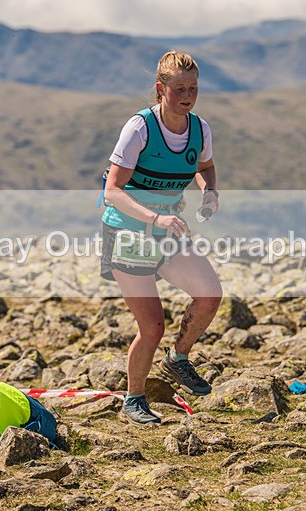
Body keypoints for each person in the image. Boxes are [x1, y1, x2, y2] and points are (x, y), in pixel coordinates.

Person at [100, 51, 223, 424]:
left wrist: (209, 191)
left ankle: (178, 359)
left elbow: (206, 167)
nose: (187, 95)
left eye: (194, 88)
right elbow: (112, 190)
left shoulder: (199, 128)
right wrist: (155, 216)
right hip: (127, 230)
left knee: (210, 295)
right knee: (152, 326)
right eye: (179, 88)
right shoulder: (139, 128)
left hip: (169, 229)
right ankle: (133, 399)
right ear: (160, 88)